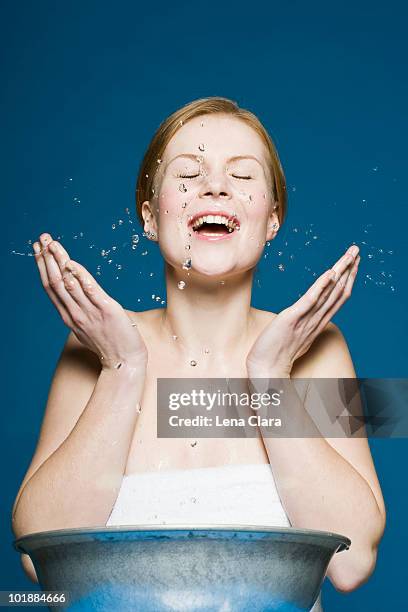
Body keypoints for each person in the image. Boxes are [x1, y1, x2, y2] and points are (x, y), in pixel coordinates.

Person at [11, 97, 385, 609]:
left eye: (244, 176)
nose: (215, 187)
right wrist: (123, 369)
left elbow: (351, 563)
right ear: (149, 215)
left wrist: (271, 378)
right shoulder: (95, 346)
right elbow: (39, 559)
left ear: (272, 218)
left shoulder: (320, 349)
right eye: (188, 173)